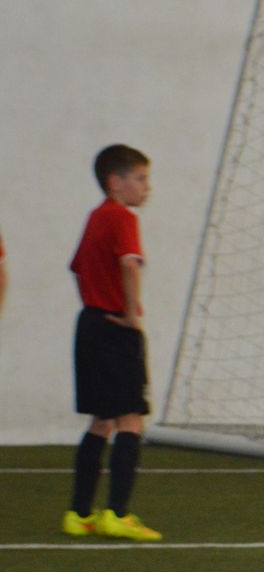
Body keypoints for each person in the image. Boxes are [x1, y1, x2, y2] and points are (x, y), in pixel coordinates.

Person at [64, 145, 161, 542]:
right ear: (115, 182)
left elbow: (76, 268)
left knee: (101, 421)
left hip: (89, 323)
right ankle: (118, 514)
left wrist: (96, 302)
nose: (146, 187)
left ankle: (79, 514)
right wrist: (129, 314)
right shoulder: (122, 217)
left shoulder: (95, 217)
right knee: (131, 419)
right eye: (140, 178)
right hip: (115, 328)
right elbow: (128, 264)